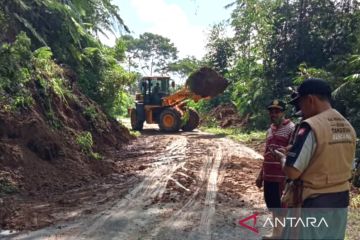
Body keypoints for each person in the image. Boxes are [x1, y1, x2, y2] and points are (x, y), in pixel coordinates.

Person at [276, 78, 357, 239]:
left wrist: (283, 160)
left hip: (312, 204)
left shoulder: (311, 126)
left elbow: (292, 172)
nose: (301, 111)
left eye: (301, 104)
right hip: (340, 203)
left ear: (310, 100)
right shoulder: (347, 126)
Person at [255, 99, 295, 239]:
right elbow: (266, 153)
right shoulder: (269, 130)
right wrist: (261, 175)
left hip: (282, 176)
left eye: (277, 111)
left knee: (282, 208)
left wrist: (285, 150)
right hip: (269, 176)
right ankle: (277, 234)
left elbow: (295, 148)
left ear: (283, 112)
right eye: (271, 111)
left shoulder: (291, 128)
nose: (273, 114)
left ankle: (280, 235)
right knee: (273, 206)